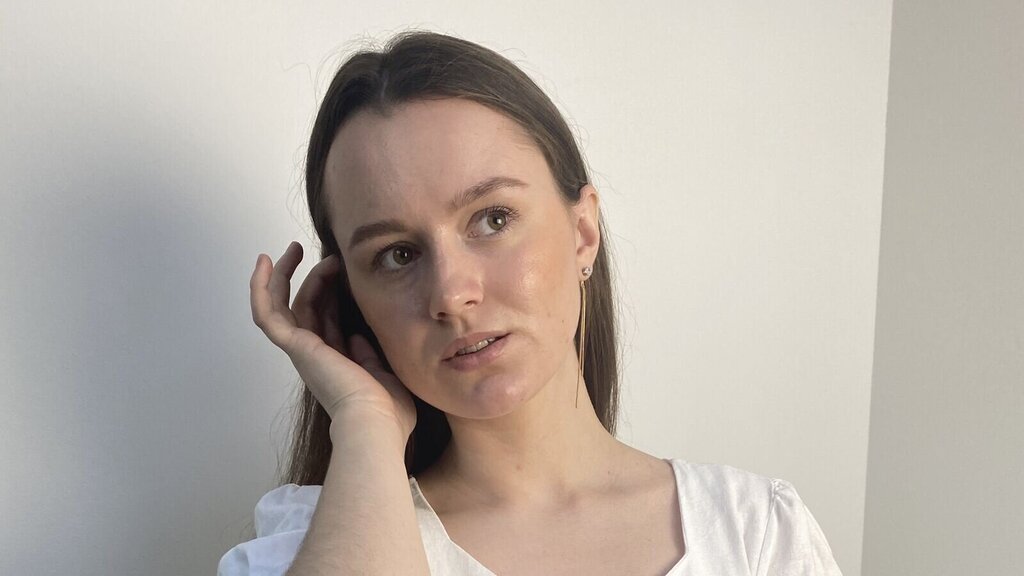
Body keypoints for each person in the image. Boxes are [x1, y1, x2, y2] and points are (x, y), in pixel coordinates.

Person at [218, 30, 843, 575]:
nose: (451, 294)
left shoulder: (756, 532)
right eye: (397, 255)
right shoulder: (311, 544)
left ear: (583, 231)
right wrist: (365, 423)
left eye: (492, 219)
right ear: (352, 298)